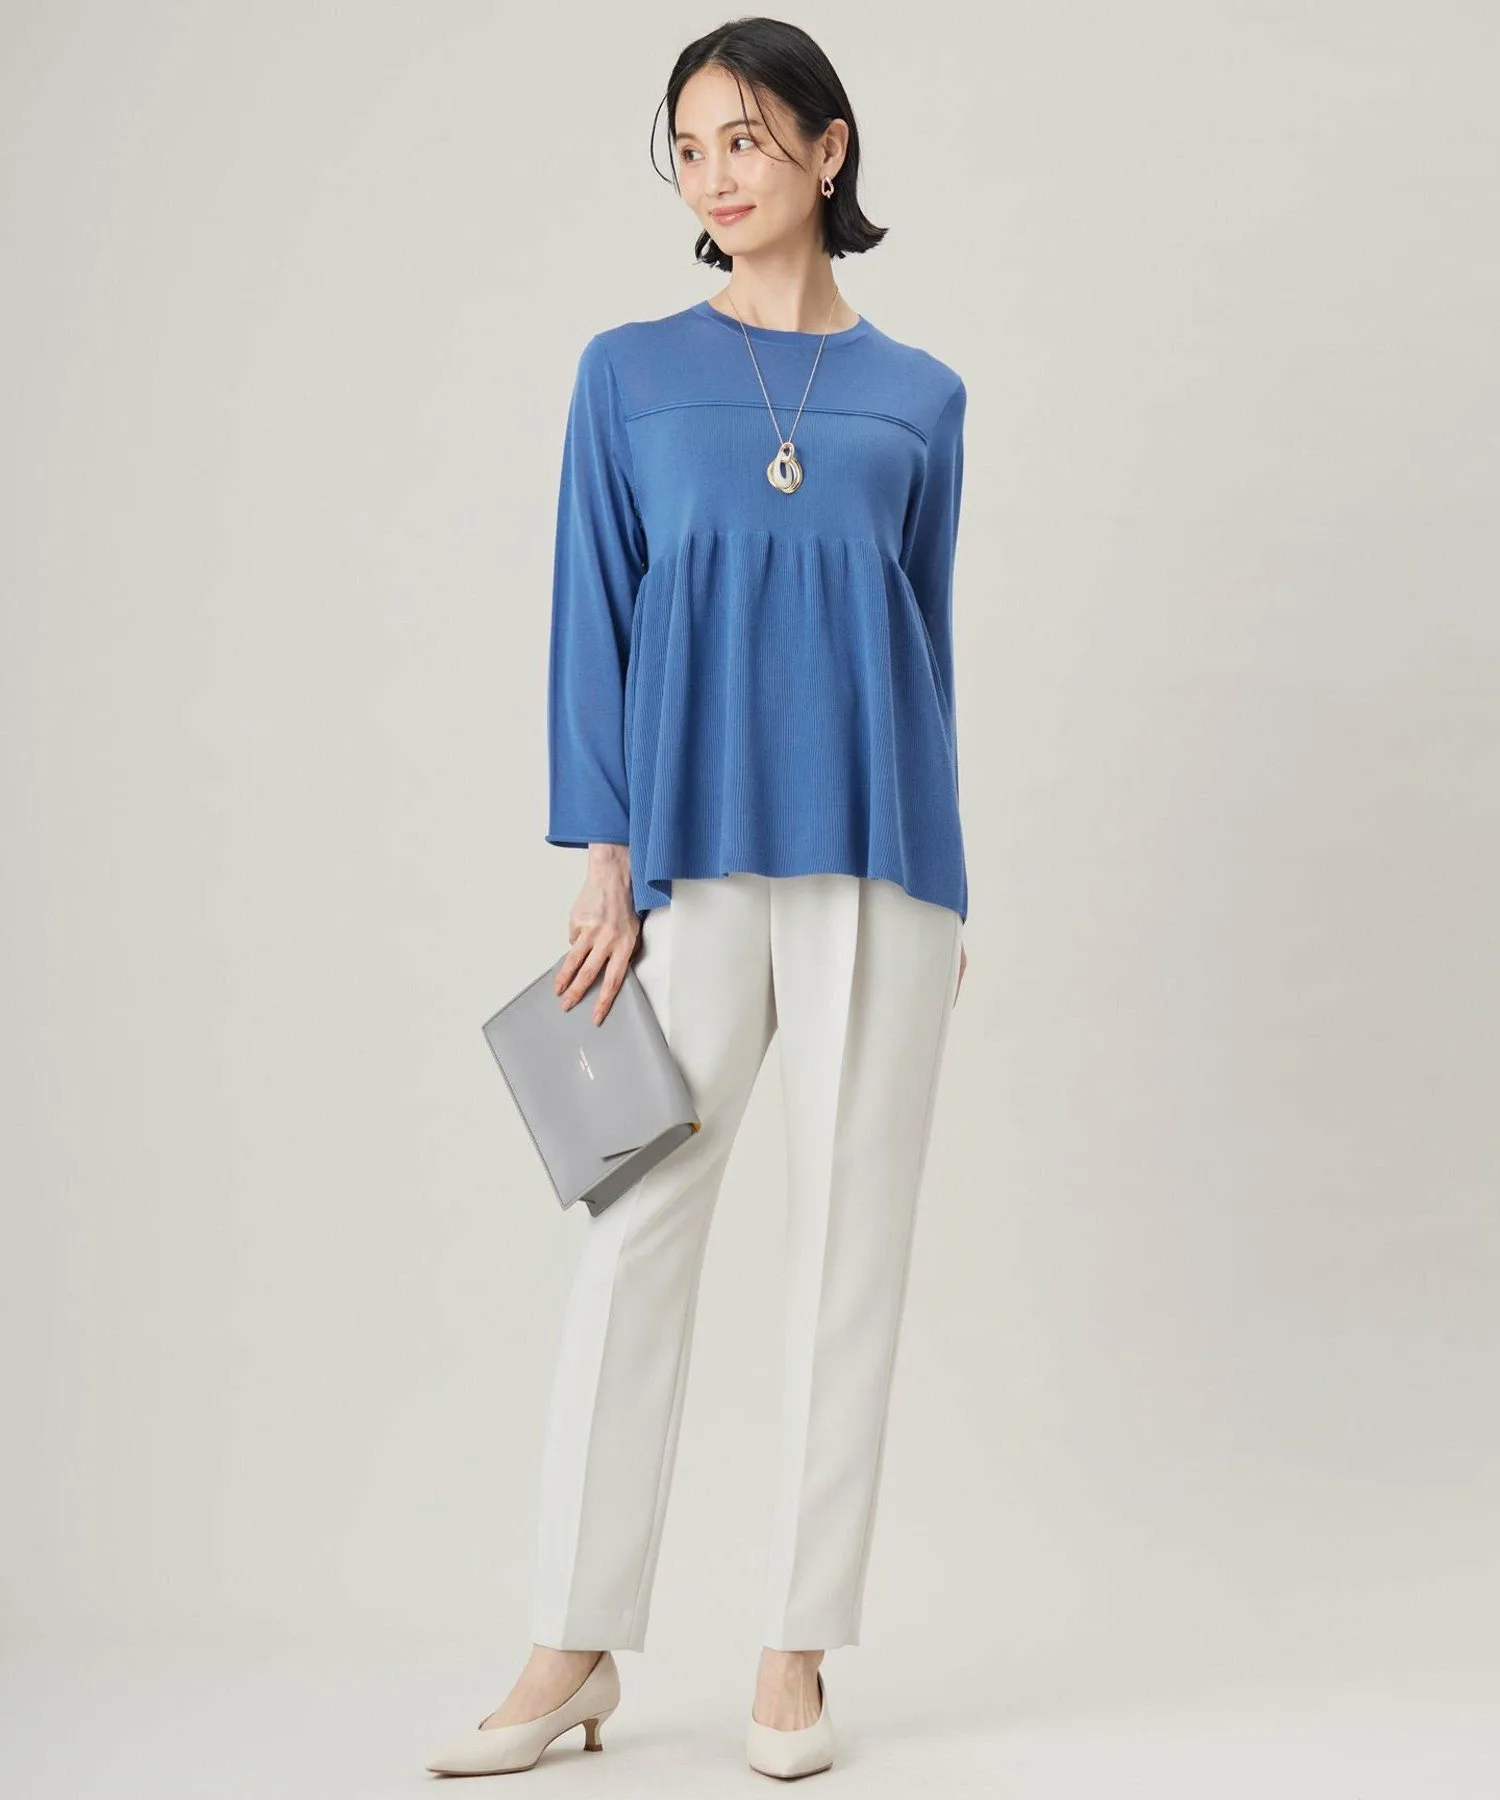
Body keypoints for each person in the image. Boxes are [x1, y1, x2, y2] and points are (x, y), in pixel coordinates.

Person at [427, 17, 969, 1782]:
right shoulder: (629, 375)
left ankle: (795, 1650)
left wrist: (948, 895)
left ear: (828, 148)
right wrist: (602, 857)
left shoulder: (923, 399)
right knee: (637, 1226)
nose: (714, 173)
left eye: (745, 137)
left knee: (851, 1249)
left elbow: (922, 651)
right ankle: (573, 1641)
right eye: (688, 147)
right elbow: (589, 612)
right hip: (692, 860)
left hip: (885, 868)